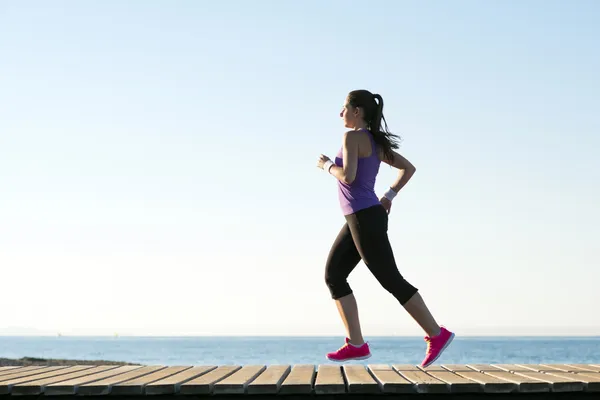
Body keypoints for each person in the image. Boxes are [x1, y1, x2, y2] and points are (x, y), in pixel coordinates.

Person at [316, 89, 454, 367]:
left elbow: (349, 176)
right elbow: (408, 168)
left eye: (344, 108)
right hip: (361, 217)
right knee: (334, 275)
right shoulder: (373, 142)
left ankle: (437, 334)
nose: (340, 113)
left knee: (390, 279)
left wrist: (327, 165)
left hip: (365, 218)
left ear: (357, 111)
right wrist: (388, 196)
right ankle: (356, 343)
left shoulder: (351, 137)